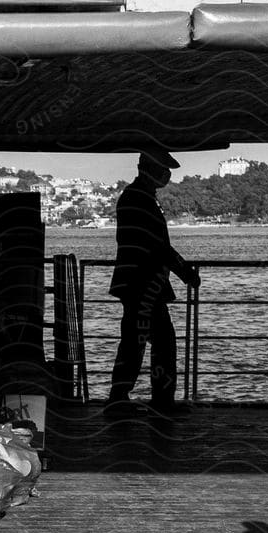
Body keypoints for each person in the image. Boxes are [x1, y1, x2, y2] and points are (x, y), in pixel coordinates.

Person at [106, 147, 199, 414]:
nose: (167, 175)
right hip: (143, 285)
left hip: (143, 284)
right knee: (155, 343)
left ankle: (128, 397)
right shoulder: (139, 199)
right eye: (164, 170)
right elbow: (158, 247)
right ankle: (147, 400)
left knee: (140, 341)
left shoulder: (137, 197)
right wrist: (185, 272)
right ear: (153, 170)